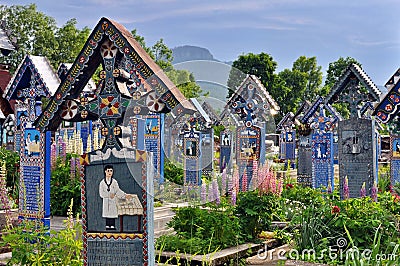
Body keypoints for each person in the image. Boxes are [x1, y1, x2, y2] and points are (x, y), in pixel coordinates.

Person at [99, 165, 132, 230]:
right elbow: (101, 193)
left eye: (111, 171)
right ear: (105, 171)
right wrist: (109, 195)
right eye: (108, 171)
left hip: (113, 201)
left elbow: (118, 191)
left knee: (112, 213)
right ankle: (107, 226)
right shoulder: (102, 183)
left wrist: (125, 195)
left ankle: (112, 226)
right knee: (107, 214)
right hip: (106, 201)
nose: (109, 172)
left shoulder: (114, 182)